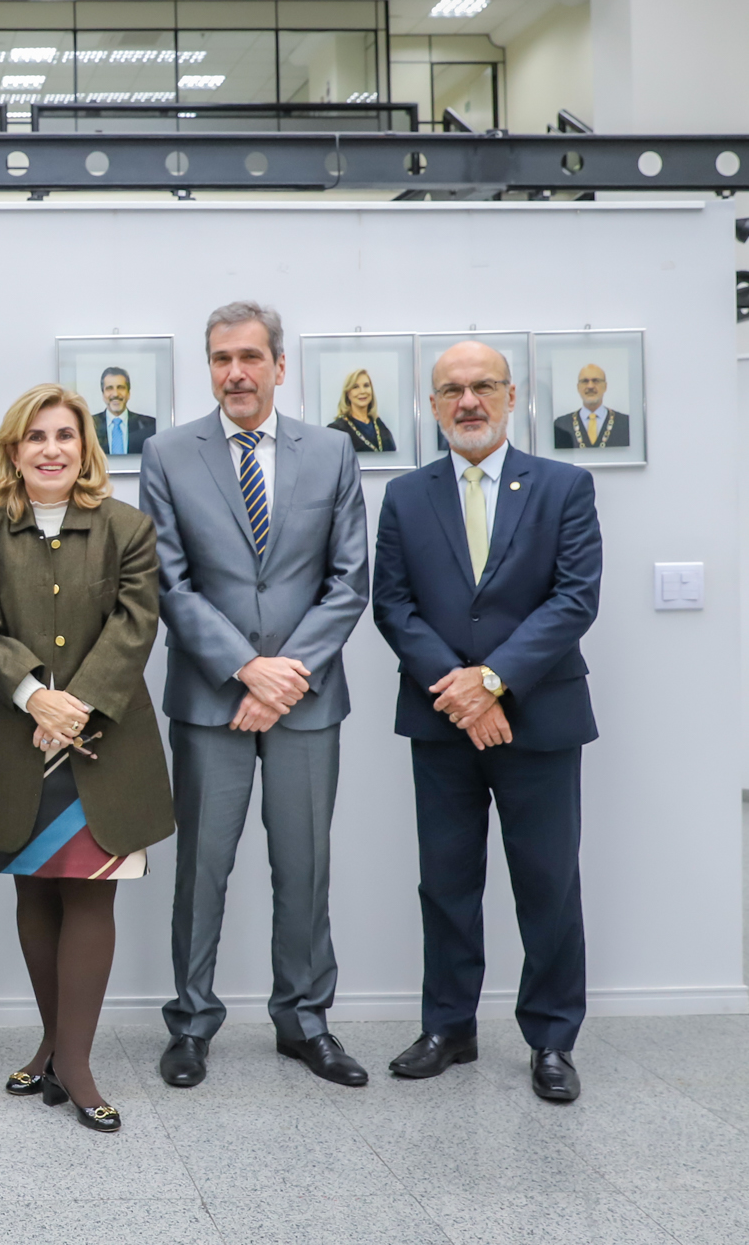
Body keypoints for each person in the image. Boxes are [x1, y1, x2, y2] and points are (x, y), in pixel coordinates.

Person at [138, 300, 370, 1090]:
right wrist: (245, 668)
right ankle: (191, 1024)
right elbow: (170, 583)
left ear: (279, 365)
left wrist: (283, 675)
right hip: (213, 699)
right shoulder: (168, 454)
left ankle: (305, 1022)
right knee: (202, 869)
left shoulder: (332, 452)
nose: (234, 373)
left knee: (305, 867)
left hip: (306, 699)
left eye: (248, 357)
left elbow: (349, 580)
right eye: (220, 359)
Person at [374, 341, 601, 1103]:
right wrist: (461, 692)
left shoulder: (564, 486)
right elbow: (393, 605)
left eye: (482, 386)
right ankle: (449, 1028)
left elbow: (574, 598)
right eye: (452, 390)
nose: (468, 401)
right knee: (445, 883)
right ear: (433, 406)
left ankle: (552, 1039)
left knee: (548, 884)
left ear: (511, 396)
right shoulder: (406, 496)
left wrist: (494, 682)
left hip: (540, 720)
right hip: (442, 723)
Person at [0, 384, 172, 1134]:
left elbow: (136, 623)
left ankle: (75, 1066)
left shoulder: (128, 527)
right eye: (36, 437)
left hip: (103, 745)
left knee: (88, 897)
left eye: (65, 436)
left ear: (85, 449)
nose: (51, 449)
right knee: (35, 894)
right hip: (16, 744)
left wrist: (73, 705)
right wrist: (33, 698)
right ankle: (52, 1045)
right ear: (14, 451)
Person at [551, 363, 629, 449]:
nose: (590, 386)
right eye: (585, 381)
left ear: (605, 386)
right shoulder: (561, 425)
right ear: (578, 387)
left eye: (596, 381)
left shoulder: (626, 424)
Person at [91, 366, 156, 457]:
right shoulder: (89, 424)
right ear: (103, 394)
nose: (115, 394)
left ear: (128, 393)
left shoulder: (149, 425)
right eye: (109, 388)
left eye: (120, 387)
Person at [328, 369, 397, 454]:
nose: (362, 391)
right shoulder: (336, 430)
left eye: (366, 386)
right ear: (347, 393)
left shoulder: (380, 426)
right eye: (355, 387)